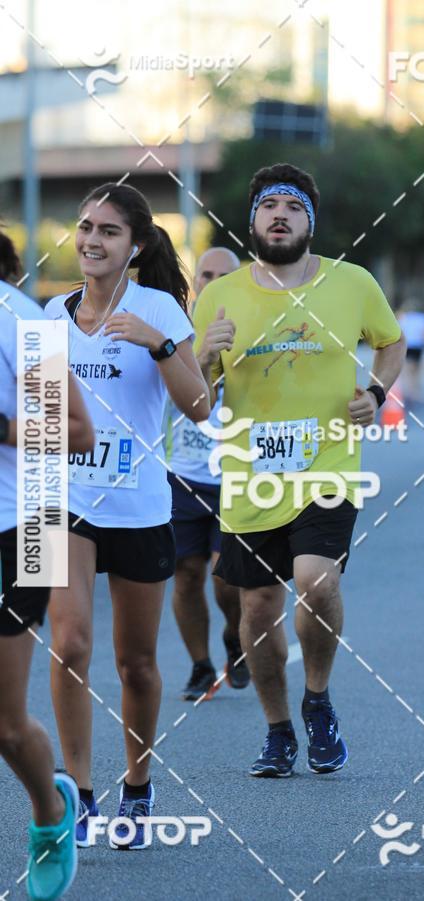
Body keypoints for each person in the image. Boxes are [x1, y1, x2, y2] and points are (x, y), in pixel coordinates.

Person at [194, 163, 405, 777]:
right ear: (252, 220)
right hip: (250, 477)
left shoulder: (353, 283)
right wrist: (205, 354)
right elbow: (195, 394)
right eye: (268, 206)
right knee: (256, 610)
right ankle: (278, 730)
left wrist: (377, 389)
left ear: (310, 222)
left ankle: (317, 698)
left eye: (292, 206)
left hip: (328, 468)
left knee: (317, 582)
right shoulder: (219, 295)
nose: (279, 214)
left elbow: (391, 343)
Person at [44, 184, 211, 849]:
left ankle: (137, 789)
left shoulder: (159, 308)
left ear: (135, 245)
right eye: (85, 227)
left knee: (135, 663)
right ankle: (78, 793)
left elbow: (199, 407)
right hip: (58, 505)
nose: (92, 240)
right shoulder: (48, 317)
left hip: (140, 505)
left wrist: (160, 344)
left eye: (109, 231)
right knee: (70, 642)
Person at [0, 230, 94, 898]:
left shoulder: (23, 322)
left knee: (4, 721)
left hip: (26, 521)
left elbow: (76, 433)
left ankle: (50, 811)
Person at [165, 247, 250, 700]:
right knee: (186, 574)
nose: (214, 281)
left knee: (226, 578)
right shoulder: (173, 329)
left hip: (233, 474)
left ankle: (235, 638)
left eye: (224, 275)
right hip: (181, 473)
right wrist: (202, 354)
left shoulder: (253, 325)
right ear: (195, 279)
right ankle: (200, 665)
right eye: (206, 274)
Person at [397, 302, 424, 402]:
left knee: (407, 370)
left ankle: (408, 391)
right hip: (419, 346)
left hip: (408, 345)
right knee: (417, 369)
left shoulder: (403, 317)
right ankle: (416, 392)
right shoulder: (423, 318)